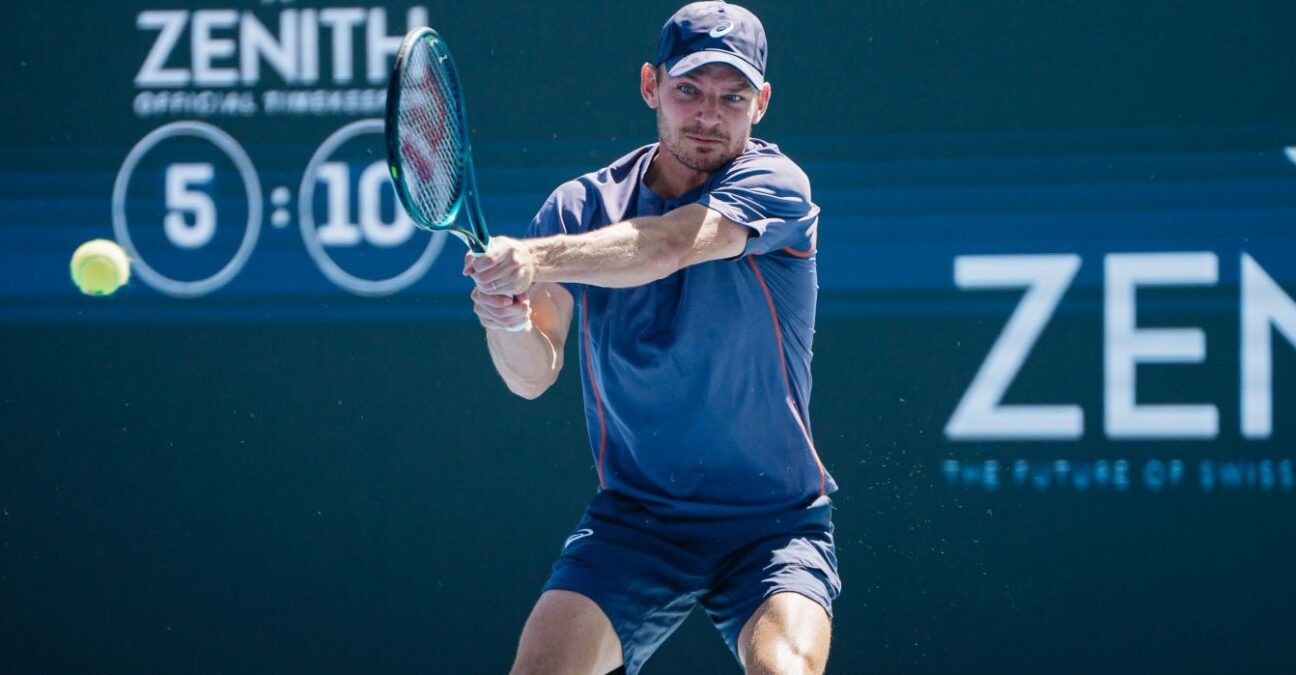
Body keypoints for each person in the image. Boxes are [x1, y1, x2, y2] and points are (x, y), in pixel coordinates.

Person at [463, 2, 839, 673]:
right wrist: (509, 317)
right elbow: (530, 375)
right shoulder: (579, 208)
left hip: (772, 524)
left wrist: (538, 258)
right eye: (688, 90)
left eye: (733, 97)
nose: (708, 115)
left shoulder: (776, 185)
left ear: (762, 104)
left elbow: (669, 244)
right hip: (636, 521)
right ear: (650, 87)